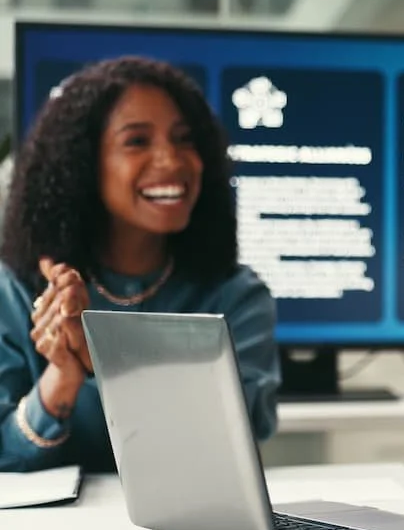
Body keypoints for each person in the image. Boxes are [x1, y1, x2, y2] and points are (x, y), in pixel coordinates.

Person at [0, 57, 280, 473]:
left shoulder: (236, 295)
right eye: (137, 141)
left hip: (192, 526)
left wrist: (105, 365)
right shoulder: (20, 289)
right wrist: (61, 379)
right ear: (82, 164)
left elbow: (239, 433)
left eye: (186, 140)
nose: (172, 161)